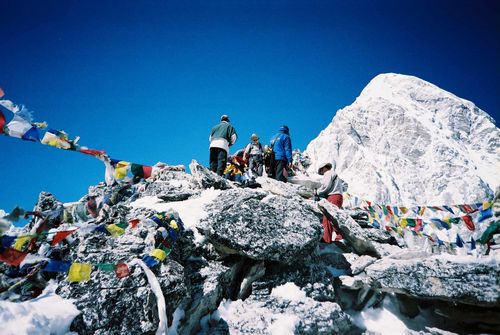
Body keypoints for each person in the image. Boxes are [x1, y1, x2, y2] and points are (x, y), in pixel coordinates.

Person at [317, 162, 345, 243]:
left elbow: (325, 186)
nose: (322, 173)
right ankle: (340, 236)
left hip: (333, 196)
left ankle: (326, 239)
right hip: (339, 196)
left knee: (327, 218)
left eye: (321, 171)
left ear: (323, 168)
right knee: (334, 218)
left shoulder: (328, 173)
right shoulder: (334, 174)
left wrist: (318, 192)